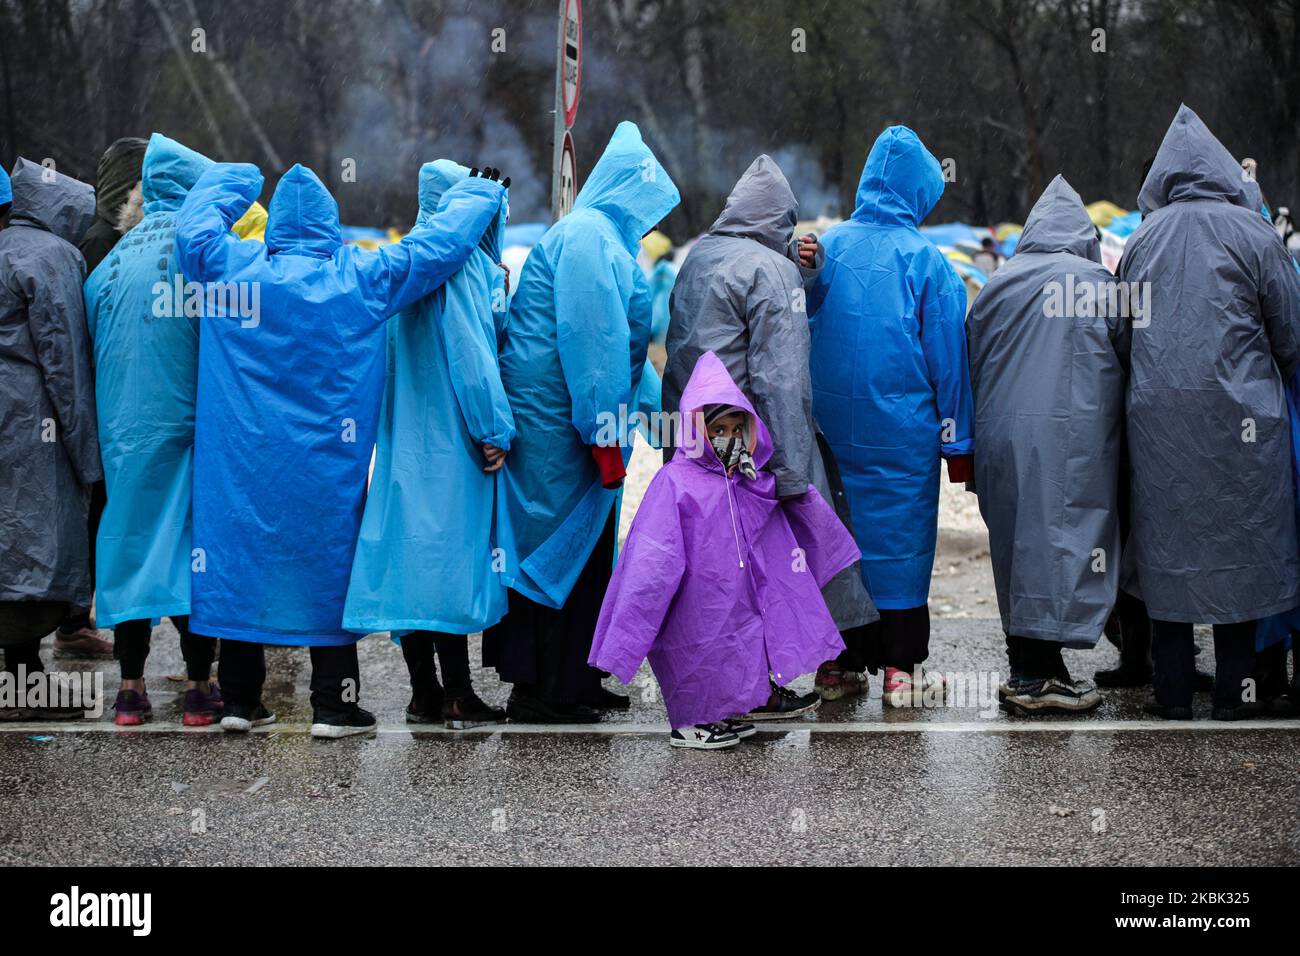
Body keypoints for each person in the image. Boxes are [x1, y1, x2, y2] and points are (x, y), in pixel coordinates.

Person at [175, 159, 506, 738]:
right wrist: (479, 193)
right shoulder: (360, 277)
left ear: (275, 225)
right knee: (327, 564)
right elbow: (436, 247)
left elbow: (193, 229)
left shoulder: (229, 270)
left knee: (244, 560)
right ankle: (334, 704)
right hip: (325, 462)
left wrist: (237, 179)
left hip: (244, 461)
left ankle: (240, 700)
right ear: (330, 225)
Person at [662, 153, 877, 708]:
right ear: (780, 220)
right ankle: (761, 687)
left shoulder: (697, 258)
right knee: (768, 563)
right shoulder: (770, 271)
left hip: (697, 437)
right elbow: (781, 381)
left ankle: (730, 686)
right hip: (748, 440)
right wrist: (788, 470)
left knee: (716, 566)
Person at [486, 121, 679, 723]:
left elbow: (624, 354)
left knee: (587, 558)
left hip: (576, 428)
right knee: (553, 559)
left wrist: (668, 429)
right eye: (650, 206)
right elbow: (590, 344)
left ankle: (579, 677)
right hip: (558, 434)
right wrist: (603, 437)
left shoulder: (604, 240)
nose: (652, 221)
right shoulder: (591, 239)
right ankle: (541, 689)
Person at [1119, 104, 1300, 720]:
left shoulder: (1141, 240)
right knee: (1242, 552)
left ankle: (1170, 695)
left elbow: (1121, 336)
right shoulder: (1254, 233)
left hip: (1158, 426)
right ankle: (1235, 693)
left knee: (1168, 556)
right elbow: (1290, 333)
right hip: (1242, 426)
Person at [589, 352, 860, 748]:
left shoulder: (744, 480)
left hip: (732, 598)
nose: (729, 438)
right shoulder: (676, 483)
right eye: (718, 428)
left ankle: (720, 711)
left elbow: (777, 515)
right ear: (697, 429)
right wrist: (636, 617)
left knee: (735, 647)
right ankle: (688, 722)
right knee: (694, 653)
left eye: (738, 428)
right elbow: (652, 557)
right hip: (690, 599)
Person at [808, 126, 974, 708]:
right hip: (903, 436)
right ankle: (901, 669)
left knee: (835, 539)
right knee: (900, 546)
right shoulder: (928, 263)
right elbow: (949, 360)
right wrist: (959, 441)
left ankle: (836, 664)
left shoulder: (827, 250)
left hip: (827, 432)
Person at [344, 159, 513, 729]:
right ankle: (460, 693)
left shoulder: (401, 262)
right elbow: (473, 359)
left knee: (409, 564)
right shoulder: (457, 265)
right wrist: (494, 429)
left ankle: (423, 691)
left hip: (400, 440)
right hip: (452, 441)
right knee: (447, 565)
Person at [966, 176, 1122, 715]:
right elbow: (1129, 359)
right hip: (1074, 436)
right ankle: (1037, 675)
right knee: (1064, 544)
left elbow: (973, 360)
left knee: (1017, 549)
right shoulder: (1099, 283)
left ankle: (1032, 667)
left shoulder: (998, 285)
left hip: (1000, 439)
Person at [84, 133, 225, 726]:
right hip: (188, 430)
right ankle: (198, 690)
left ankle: (131, 691)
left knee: (134, 548)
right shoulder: (201, 255)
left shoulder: (109, 265)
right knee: (194, 555)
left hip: (124, 435)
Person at [0, 159, 102, 719]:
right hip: (30, 425)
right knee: (32, 546)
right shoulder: (52, 257)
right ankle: (22, 683)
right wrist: (88, 454)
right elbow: (65, 362)